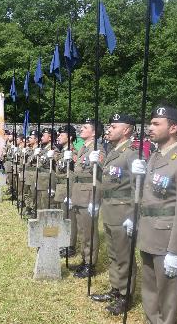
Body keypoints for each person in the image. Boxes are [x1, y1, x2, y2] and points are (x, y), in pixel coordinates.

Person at [133, 106, 177, 323]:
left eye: (156, 124)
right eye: (150, 123)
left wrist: (176, 251)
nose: (149, 128)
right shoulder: (154, 157)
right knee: (150, 291)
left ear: (173, 128)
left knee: (167, 297)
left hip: (167, 237)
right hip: (149, 234)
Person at [90, 114, 138, 315]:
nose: (109, 129)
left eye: (114, 126)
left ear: (126, 130)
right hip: (110, 208)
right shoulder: (112, 152)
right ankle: (115, 288)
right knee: (113, 253)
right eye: (109, 126)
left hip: (123, 210)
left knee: (124, 255)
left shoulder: (131, 154)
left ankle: (126, 295)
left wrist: (134, 216)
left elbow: (137, 188)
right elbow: (109, 181)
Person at [70, 118, 105, 278]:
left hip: (89, 195)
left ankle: (90, 264)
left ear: (94, 132)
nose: (81, 129)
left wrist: (95, 200)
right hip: (79, 193)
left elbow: (102, 172)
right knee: (83, 230)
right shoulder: (83, 148)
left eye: (85, 127)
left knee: (89, 232)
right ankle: (84, 260)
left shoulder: (98, 150)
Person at [55, 125, 78, 258]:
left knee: (69, 218)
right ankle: (64, 241)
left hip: (68, 187)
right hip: (61, 187)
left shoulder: (72, 152)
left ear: (69, 137)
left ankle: (70, 245)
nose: (58, 136)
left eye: (61, 134)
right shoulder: (62, 151)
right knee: (63, 217)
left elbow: (74, 173)